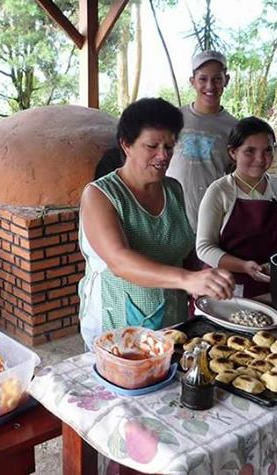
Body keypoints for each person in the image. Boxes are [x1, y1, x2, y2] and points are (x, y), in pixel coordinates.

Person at [79, 98, 235, 349]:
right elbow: (119, 261)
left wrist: (203, 276)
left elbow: (180, 249)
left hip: (172, 317)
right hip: (118, 319)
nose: (163, 156)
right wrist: (187, 279)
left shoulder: (173, 189)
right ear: (126, 145)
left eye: (169, 147)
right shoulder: (100, 195)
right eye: (152, 146)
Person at [196, 116, 277, 298]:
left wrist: (273, 266)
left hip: (270, 287)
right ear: (233, 152)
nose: (260, 159)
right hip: (224, 287)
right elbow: (204, 248)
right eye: (250, 151)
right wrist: (244, 266)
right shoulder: (219, 191)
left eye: (267, 150)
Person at [166, 50, 238, 231]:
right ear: (192, 81)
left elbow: (234, 173)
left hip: (212, 214)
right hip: (171, 212)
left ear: (226, 80)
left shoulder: (234, 127)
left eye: (217, 79)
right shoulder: (173, 118)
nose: (210, 86)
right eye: (203, 79)